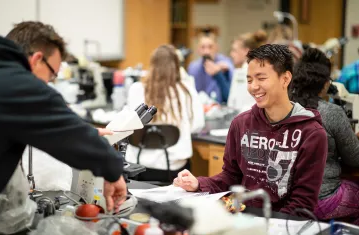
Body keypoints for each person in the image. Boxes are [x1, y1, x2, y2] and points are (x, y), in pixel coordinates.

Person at [0, 21, 126, 226]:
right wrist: (113, 170)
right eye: (52, 75)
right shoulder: (16, 84)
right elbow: (70, 136)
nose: (48, 83)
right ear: (37, 59)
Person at [174, 44, 328, 215]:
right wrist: (198, 184)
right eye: (249, 80)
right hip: (241, 215)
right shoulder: (241, 124)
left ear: (285, 79)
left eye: (261, 78)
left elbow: (302, 203)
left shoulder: (312, 134)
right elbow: (230, 178)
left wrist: (264, 225)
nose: (253, 87)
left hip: (280, 224)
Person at [289, 48, 359, 225]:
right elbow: (355, 159)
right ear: (326, 83)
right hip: (321, 200)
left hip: (288, 199)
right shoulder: (332, 113)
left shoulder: (282, 108)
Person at [126, 45, 205, 182]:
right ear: (177, 66)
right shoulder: (186, 90)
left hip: (138, 168)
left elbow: (128, 124)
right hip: (174, 170)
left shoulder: (136, 89)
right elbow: (197, 125)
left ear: (152, 65)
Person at [227, 30, 267, 112]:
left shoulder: (253, 71)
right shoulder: (240, 71)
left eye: (234, 50)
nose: (231, 54)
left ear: (246, 51)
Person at [188, 32, 234, 103]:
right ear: (198, 49)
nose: (206, 51)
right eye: (203, 47)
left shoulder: (225, 63)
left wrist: (220, 73)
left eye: (210, 47)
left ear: (217, 47)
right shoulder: (193, 67)